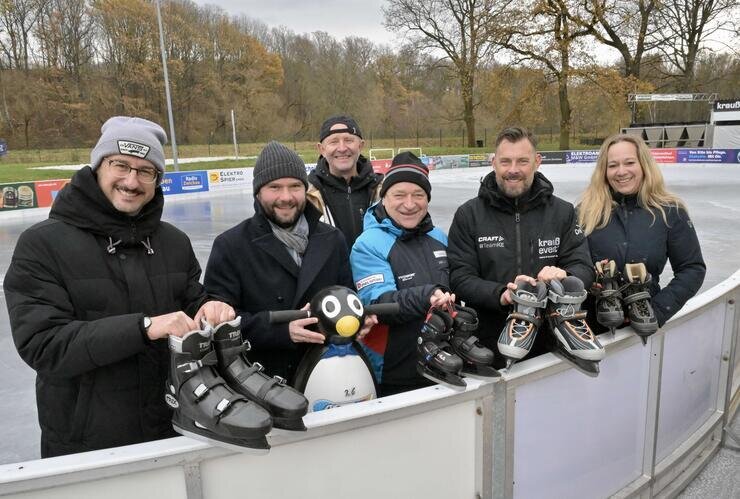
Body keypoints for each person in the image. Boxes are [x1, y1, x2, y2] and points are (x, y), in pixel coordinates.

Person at [4, 116, 234, 458]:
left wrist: (212, 309)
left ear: (157, 180)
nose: (131, 180)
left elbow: (191, 306)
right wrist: (143, 328)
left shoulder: (174, 242)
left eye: (146, 171)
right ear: (98, 167)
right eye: (120, 165)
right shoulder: (42, 244)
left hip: (173, 430)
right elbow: (44, 345)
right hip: (88, 446)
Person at [204, 141, 373, 384]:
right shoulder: (231, 245)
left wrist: (359, 320)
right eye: (275, 187)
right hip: (260, 381)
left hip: (326, 375)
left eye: (295, 186)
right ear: (258, 192)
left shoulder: (332, 239)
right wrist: (281, 332)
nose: (286, 197)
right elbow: (220, 323)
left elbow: (346, 296)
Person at [447, 127, 595, 365]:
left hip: (551, 342)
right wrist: (501, 295)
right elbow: (459, 277)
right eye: (505, 161)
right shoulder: (469, 215)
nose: (513, 170)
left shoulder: (563, 212)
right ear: (493, 162)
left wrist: (565, 276)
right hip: (487, 342)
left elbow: (583, 267)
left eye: (522, 161)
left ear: (537, 162)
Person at [351, 152, 456, 396]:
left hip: (444, 362)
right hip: (394, 371)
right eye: (399, 195)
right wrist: (427, 295)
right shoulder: (368, 243)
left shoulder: (438, 237)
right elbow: (378, 303)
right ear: (384, 198)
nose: (409, 204)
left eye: (418, 195)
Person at [578, 133, 705, 329]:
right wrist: (589, 282)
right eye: (612, 165)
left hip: (644, 324)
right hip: (592, 325)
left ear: (644, 165)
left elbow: (692, 269)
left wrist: (658, 309)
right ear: (603, 171)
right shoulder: (584, 212)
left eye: (629, 162)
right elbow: (570, 264)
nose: (621, 171)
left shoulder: (670, 212)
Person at [307, 115, 382, 249]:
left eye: (348, 140)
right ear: (321, 149)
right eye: (334, 142)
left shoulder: (383, 191)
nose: (342, 148)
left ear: (360, 145)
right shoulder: (307, 195)